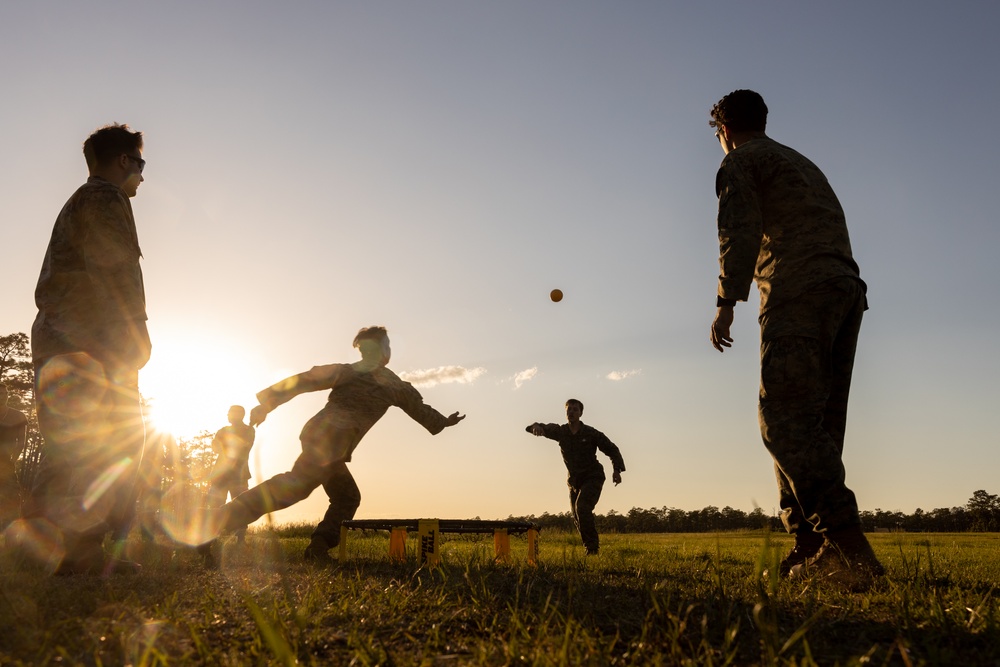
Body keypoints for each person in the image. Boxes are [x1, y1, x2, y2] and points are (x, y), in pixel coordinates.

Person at [707, 90, 883, 588]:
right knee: (815, 424)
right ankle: (809, 545)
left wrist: (726, 303)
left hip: (797, 287)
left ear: (723, 130)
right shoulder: (799, 161)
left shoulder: (741, 161)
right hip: (845, 290)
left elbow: (737, 231)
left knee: (783, 421)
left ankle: (848, 549)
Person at [206, 326, 465, 565]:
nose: (390, 350)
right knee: (294, 487)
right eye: (388, 345)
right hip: (331, 440)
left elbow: (305, 379)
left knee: (345, 496)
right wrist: (443, 421)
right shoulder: (391, 383)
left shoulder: (348, 371)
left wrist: (267, 403)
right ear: (382, 351)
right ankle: (212, 524)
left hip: (319, 436)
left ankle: (318, 547)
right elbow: (418, 408)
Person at [26, 123, 150, 575]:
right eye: (140, 164)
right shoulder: (105, 198)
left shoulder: (76, 202)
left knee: (64, 448)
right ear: (123, 161)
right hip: (94, 341)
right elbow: (116, 269)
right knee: (117, 442)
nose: (141, 175)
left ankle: (37, 550)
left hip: (56, 339)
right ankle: (82, 552)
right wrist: (136, 331)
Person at [525, 399, 625, 555]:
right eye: (569, 409)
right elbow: (535, 427)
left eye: (575, 409)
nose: (571, 412)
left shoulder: (591, 433)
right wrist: (535, 427)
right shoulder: (561, 431)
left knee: (583, 508)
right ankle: (589, 546)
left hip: (593, 476)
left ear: (580, 413)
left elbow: (612, 449)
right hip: (574, 481)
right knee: (577, 515)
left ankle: (592, 549)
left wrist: (617, 470)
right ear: (566, 413)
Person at [205, 406, 255, 544]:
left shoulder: (248, 430)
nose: (228, 415)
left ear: (239, 415)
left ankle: (240, 539)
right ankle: (211, 537)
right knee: (216, 504)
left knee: (241, 506)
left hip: (238, 474)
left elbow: (244, 447)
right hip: (221, 474)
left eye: (230, 413)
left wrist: (224, 445)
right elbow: (215, 448)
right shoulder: (223, 430)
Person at [0, 384, 28, 531]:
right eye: (0, 394)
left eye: (4, 394)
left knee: (11, 497)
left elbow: (22, 441)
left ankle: (10, 532)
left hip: (6, 463)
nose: (2, 396)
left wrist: (14, 458)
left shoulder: (18, 416)